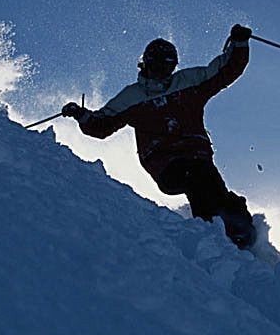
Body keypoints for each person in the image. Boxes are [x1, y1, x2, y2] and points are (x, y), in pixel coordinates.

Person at [61, 24, 256, 248]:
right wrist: (81, 115)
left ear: (173, 67)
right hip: (164, 164)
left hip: (197, 156)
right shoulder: (132, 97)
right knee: (197, 178)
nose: (160, 73)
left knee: (213, 186)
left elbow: (225, 70)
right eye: (155, 66)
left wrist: (240, 43)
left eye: (166, 67)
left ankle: (246, 240)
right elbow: (102, 126)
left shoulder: (189, 83)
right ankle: (215, 235)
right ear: (144, 64)